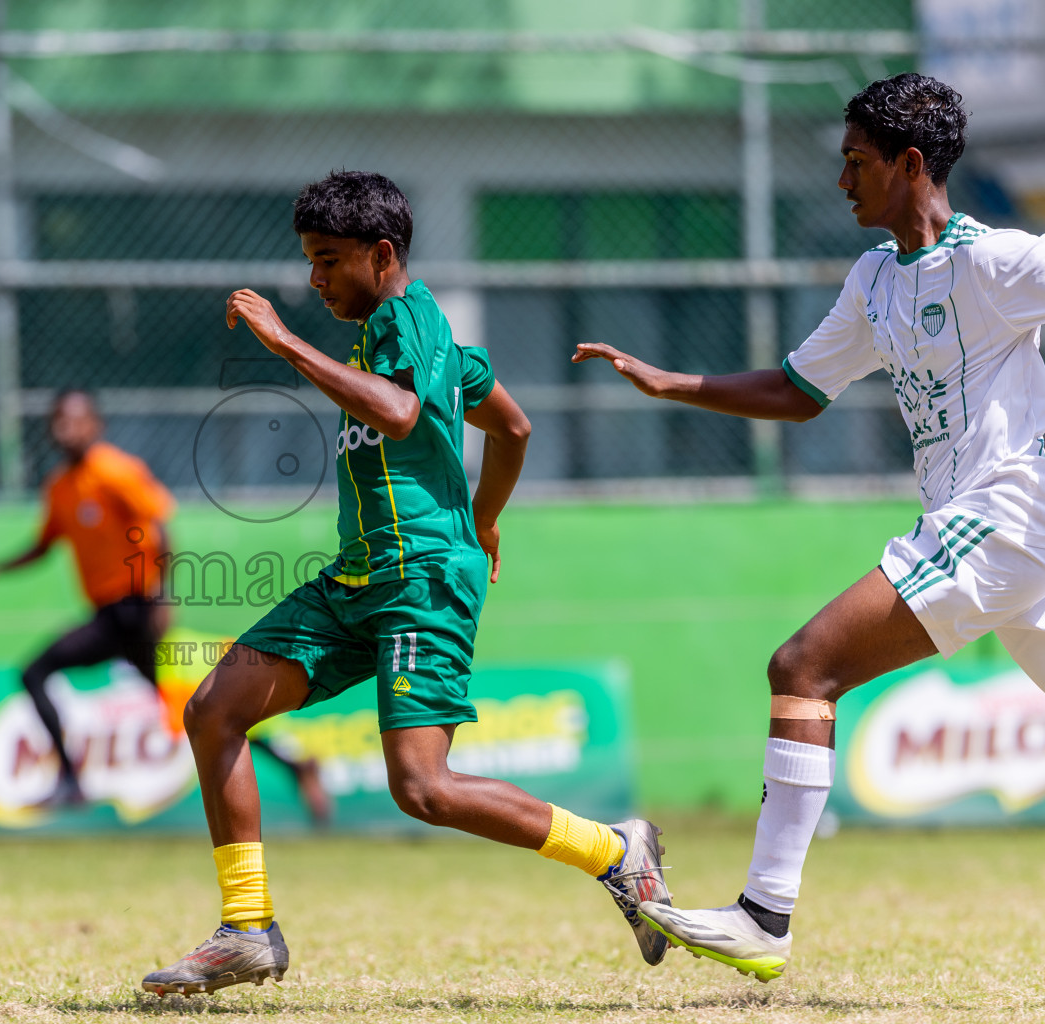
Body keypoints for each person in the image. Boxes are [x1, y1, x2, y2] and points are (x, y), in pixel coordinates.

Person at [140, 171, 672, 997]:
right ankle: (247, 929)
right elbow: (512, 424)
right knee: (215, 708)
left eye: (327, 261)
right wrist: (487, 516)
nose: (315, 279)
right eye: (310, 261)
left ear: (381, 254)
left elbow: (398, 415)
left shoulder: (409, 318)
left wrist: (283, 344)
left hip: (420, 578)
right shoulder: (404, 342)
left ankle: (615, 852)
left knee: (422, 788)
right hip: (357, 579)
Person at [574, 73, 1045, 982]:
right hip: (990, 534)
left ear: (911, 165)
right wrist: (674, 383)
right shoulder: (875, 278)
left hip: (1006, 517)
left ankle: (764, 914)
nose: (842, 181)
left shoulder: (996, 263)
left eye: (856, 162)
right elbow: (799, 391)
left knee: (803, 665)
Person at [0, 390, 332, 821]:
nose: (67, 429)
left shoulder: (115, 471)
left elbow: (158, 528)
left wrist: (161, 596)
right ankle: (72, 780)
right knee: (184, 703)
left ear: (95, 425)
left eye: (76, 420)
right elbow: (44, 545)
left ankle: (73, 781)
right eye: (59, 421)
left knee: (198, 706)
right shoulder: (60, 488)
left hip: (136, 612)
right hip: (108, 619)